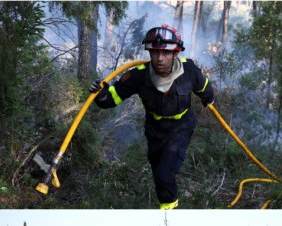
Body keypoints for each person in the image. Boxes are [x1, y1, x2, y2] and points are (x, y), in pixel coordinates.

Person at [90, 24, 214, 209]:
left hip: (180, 127)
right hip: (155, 130)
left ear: (175, 53)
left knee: (164, 175)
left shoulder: (189, 70)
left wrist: (208, 99)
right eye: (155, 52)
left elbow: (204, 88)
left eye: (165, 53)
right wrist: (101, 95)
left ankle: (169, 214)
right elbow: (112, 98)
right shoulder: (139, 75)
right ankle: (165, 204)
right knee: (158, 174)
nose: (160, 58)